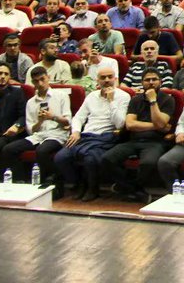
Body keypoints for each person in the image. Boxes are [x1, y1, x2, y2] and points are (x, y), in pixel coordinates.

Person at [54, 67, 131, 202]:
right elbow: (78, 117)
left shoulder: (123, 96)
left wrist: (111, 101)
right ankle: (79, 183)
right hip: (87, 135)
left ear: (115, 79)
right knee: (61, 157)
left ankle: (92, 188)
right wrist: (76, 131)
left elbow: (119, 124)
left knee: (90, 158)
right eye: (103, 78)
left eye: (109, 77)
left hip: (108, 136)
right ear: (98, 80)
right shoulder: (91, 96)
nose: (106, 80)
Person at [102, 67, 175, 202]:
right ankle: (133, 189)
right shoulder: (136, 100)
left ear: (161, 82)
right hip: (134, 139)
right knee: (107, 158)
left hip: (155, 142)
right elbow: (130, 124)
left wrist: (153, 101)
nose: (151, 82)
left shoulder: (167, 100)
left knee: (148, 163)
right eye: (147, 80)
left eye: (154, 79)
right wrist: (158, 126)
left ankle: (127, 188)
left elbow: (160, 122)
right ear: (142, 82)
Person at [0, 65, 71, 185]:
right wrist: (40, 121)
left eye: (43, 79)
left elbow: (67, 123)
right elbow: (31, 130)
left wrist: (52, 117)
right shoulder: (31, 102)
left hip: (57, 135)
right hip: (38, 135)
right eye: (36, 81)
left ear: (49, 78)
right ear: (33, 83)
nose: (41, 83)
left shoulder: (61, 96)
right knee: (8, 149)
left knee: (42, 151)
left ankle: (53, 180)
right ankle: (20, 181)